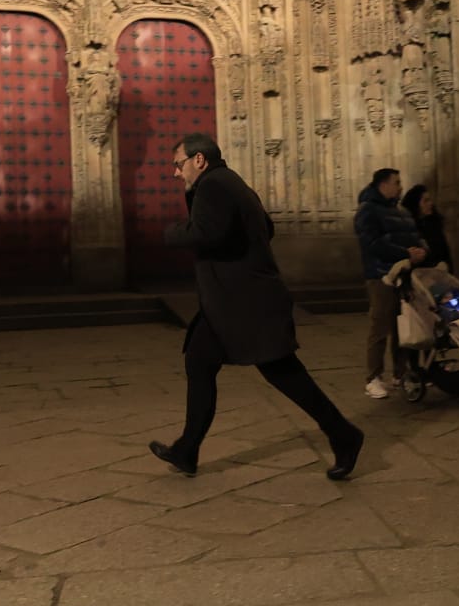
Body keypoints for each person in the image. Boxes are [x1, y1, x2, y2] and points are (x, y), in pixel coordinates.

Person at [150, 133, 365, 479]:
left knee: (283, 372)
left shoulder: (212, 186)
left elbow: (208, 233)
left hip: (245, 303)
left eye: (179, 164)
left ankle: (344, 434)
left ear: (199, 160)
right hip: (233, 301)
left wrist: (171, 232)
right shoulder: (233, 183)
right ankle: (186, 449)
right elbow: (266, 226)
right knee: (199, 361)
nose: (176, 173)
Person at [354, 168, 427, 399]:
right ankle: (373, 378)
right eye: (396, 182)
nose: (400, 186)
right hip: (381, 276)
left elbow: (415, 236)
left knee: (403, 327)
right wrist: (405, 252)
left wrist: (421, 250)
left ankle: (401, 373)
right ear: (382, 185)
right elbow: (371, 244)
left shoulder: (401, 211)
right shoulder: (368, 211)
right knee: (380, 326)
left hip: (405, 276)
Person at [400, 184, 451, 269]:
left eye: (430, 200)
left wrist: (445, 265)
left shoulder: (434, 226)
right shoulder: (408, 228)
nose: (430, 203)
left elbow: (445, 254)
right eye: (426, 201)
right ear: (415, 204)